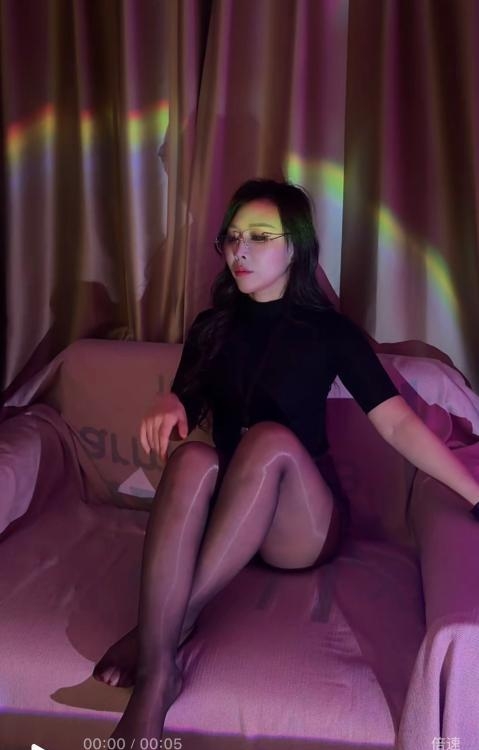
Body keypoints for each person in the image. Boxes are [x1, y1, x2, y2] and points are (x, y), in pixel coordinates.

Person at [93, 179, 479, 744]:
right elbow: (189, 403)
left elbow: (396, 423)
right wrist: (170, 399)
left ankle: (163, 637)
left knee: (269, 439)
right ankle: (160, 668)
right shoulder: (211, 327)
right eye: (232, 238)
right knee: (194, 456)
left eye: (259, 237)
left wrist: (474, 492)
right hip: (233, 521)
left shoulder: (329, 332)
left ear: (295, 247)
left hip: (302, 524)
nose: (240, 250)